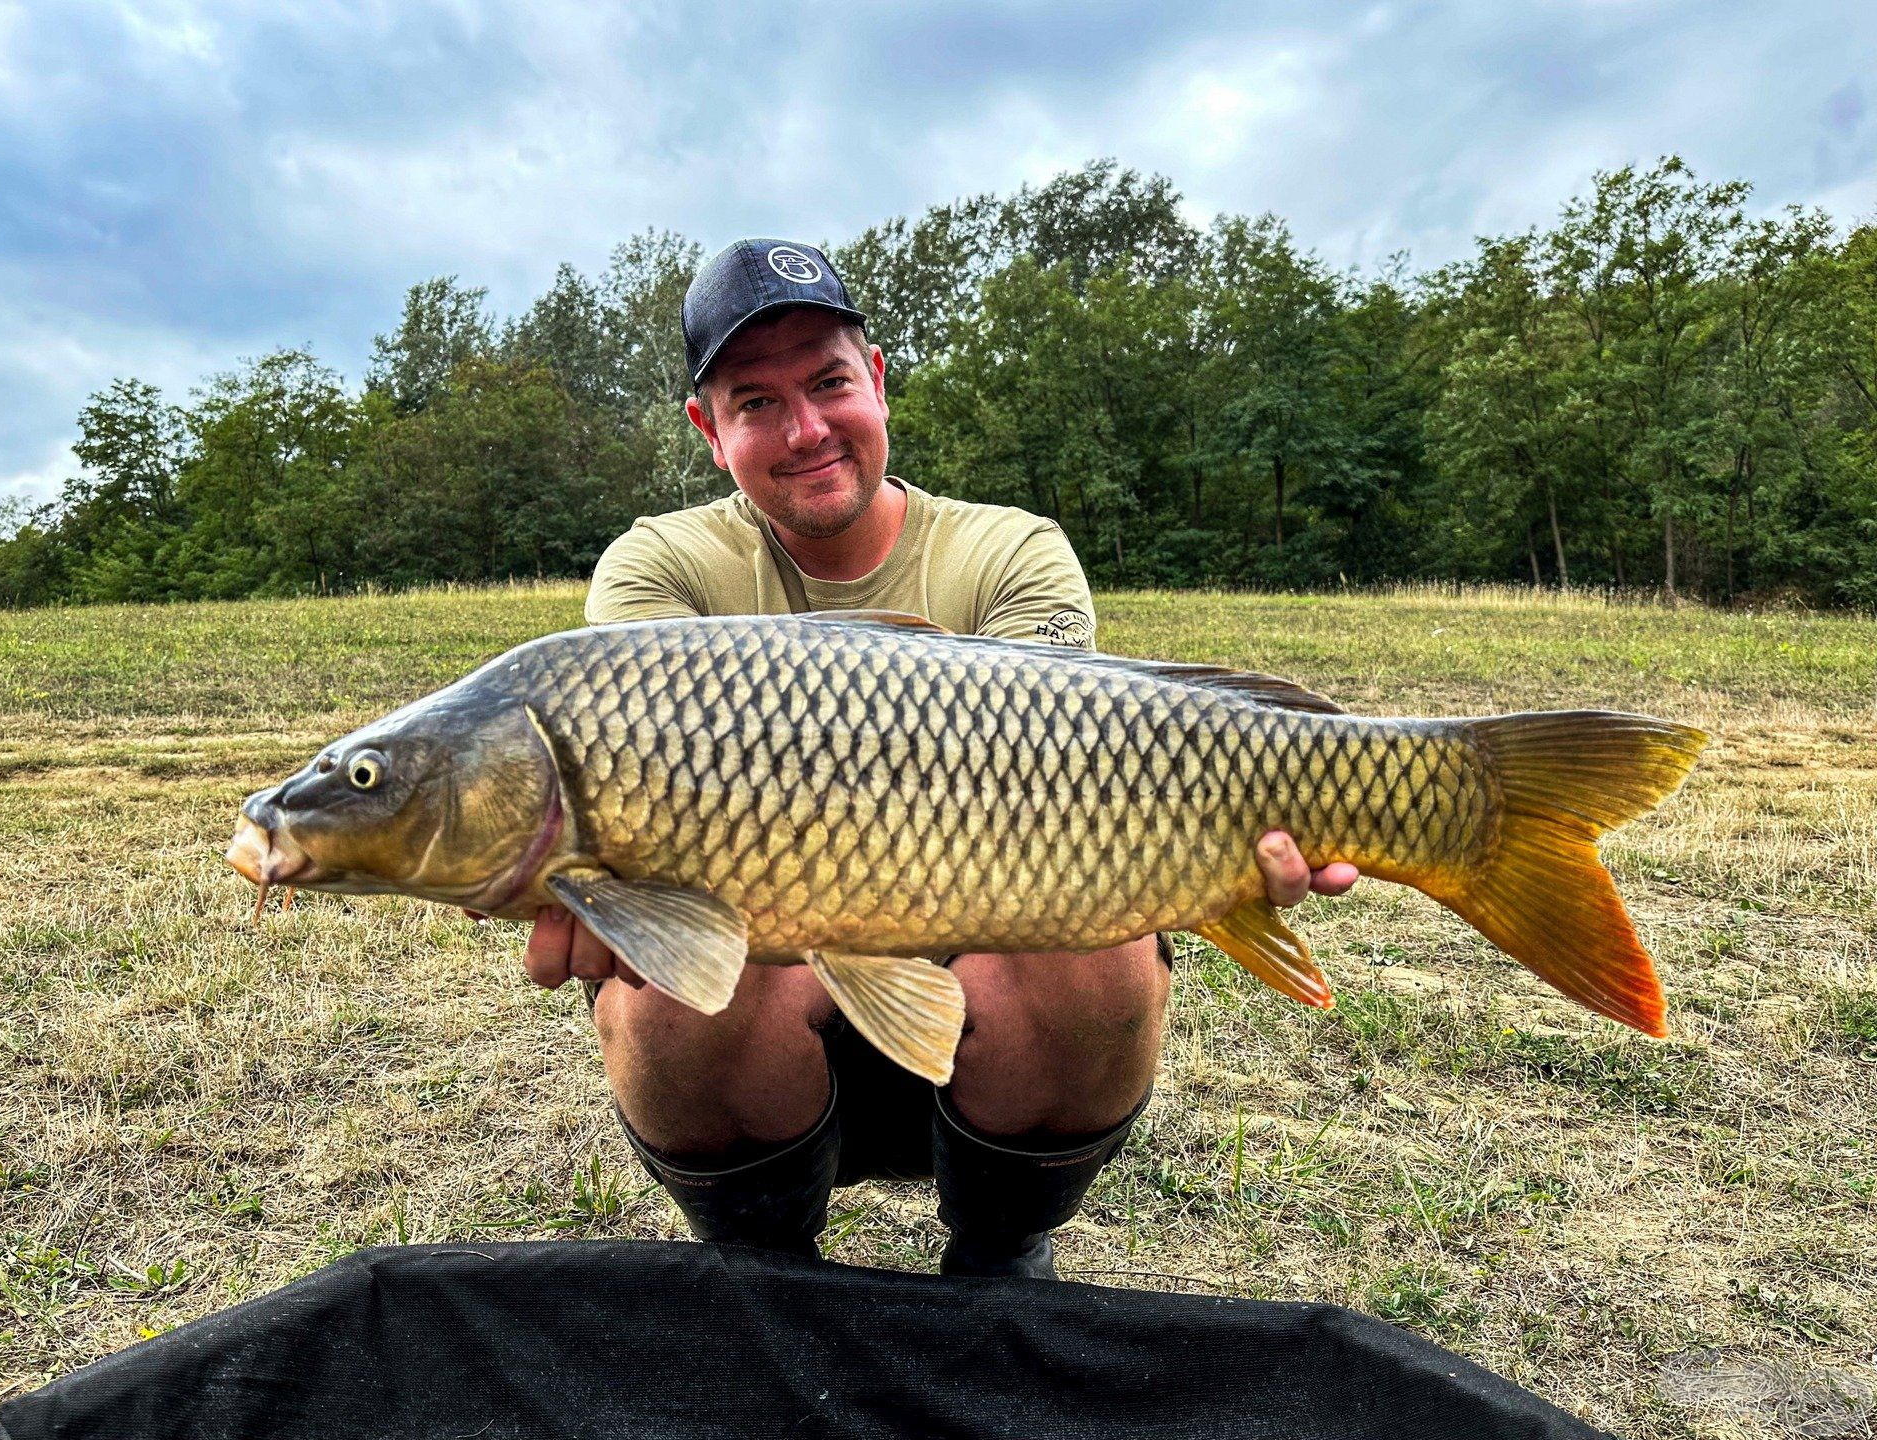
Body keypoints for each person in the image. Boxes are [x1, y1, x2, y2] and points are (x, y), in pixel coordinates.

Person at [521, 238, 1357, 1279]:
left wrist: (1218, 850)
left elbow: (1070, 793)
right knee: (668, 969)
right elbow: (634, 814)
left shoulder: (1010, 551)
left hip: (995, 1003)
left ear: (875, 377)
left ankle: (1005, 1246)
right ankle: (765, 1264)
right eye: (756, 402)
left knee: (1099, 939)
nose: (806, 429)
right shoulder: (661, 572)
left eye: (828, 382)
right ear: (709, 429)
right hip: (773, 1020)